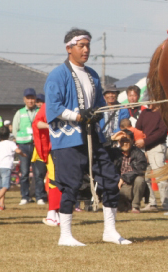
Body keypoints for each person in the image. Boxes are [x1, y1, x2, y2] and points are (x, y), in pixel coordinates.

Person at [45, 28, 130, 246]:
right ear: (69, 48)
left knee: (111, 180)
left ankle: (110, 231)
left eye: (87, 45)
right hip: (68, 140)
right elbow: (53, 108)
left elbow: (100, 106)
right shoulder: (57, 75)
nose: (85, 49)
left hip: (94, 138)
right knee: (70, 185)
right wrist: (77, 115)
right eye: (81, 45)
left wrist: (100, 119)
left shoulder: (92, 74)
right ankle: (65, 235)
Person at [12, 87, 46, 205]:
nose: (30, 101)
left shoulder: (40, 111)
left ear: (35, 99)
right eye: (28, 98)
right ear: (24, 99)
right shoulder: (20, 112)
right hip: (23, 146)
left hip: (37, 145)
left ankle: (39, 196)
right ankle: (25, 197)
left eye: (32, 98)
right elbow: (15, 129)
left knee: (39, 173)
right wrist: (20, 141)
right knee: (24, 172)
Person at [135, 104, 168, 212]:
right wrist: (141, 142)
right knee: (146, 177)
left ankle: (166, 204)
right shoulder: (145, 112)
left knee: (160, 176)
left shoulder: (163, 113)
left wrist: (145, 141)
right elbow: (138, 127)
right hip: (144, 148)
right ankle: (152, 203)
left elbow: (161, 133)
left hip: (157, 147)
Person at [33, 102, 62, 226]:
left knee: (66, 179)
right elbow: (37, 123)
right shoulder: (49, 105)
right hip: (55, 148)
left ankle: (59, 214)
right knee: (55, 179)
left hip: (69, 147)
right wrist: (51, 126)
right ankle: (52, 213)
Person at [111, 130, 148, 213]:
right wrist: (112, 139)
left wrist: (123, 178)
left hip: (132, 186)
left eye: (127, 140)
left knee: (140, 180)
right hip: (118, 187)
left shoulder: (139, 154)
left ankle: (135, 206)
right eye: (122, 141)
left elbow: (139, 170)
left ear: (132, 141)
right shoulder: (114, 153)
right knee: (121, 209)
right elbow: (101, 150)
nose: (124, 143)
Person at [0, 127, 20, 211]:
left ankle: (1, 205)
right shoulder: (11, 143)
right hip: (6, 167)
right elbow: (17, 151)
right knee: (6, 186)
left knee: (1, 188)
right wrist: (23, 154)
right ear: (9, 135)